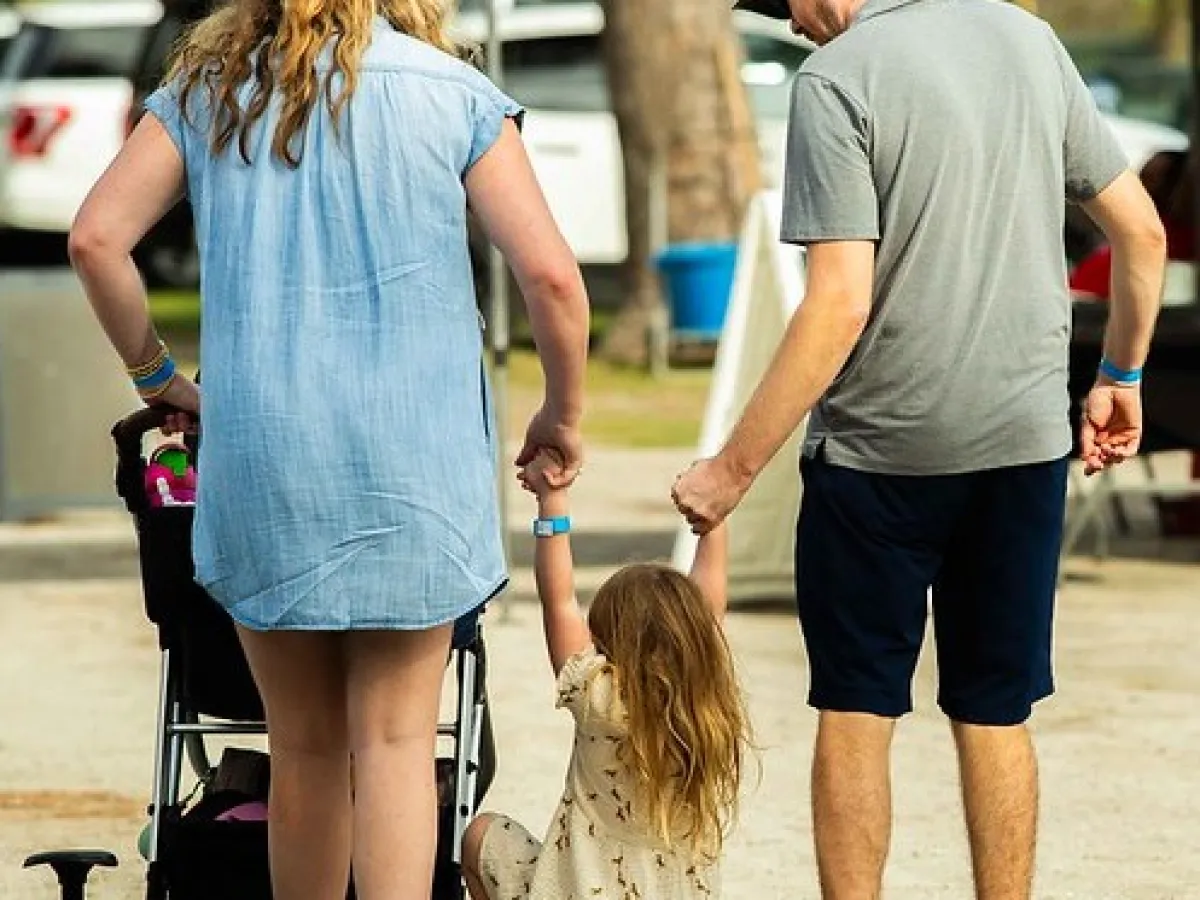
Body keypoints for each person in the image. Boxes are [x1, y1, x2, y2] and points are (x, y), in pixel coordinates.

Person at [67, 1, 590, 898]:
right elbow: (550, 276)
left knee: (302, 748)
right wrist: (561, 415)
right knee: (394, 744)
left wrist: (158, 379)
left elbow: (96, 238)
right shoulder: (456, 95)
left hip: (267, 464)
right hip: (413, 470)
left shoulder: (208, 90)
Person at [673, 1, 1166, 898]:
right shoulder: (1025, 36)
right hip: (1019, 444)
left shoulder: (838, 80)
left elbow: (837, 303)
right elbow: (1143, 232)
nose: (795, 26)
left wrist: (729, 471)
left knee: (857, 707)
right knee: (995, 710)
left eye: (785, 9)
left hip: (877, 457)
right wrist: (1121, 376)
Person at [461, 450, 751, 900]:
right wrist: (712, 517)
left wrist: (551, 501)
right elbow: (707, 609)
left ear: (605, 639)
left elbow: (557, 600)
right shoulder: (706, 703)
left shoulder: (600, 698)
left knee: (479, 836)